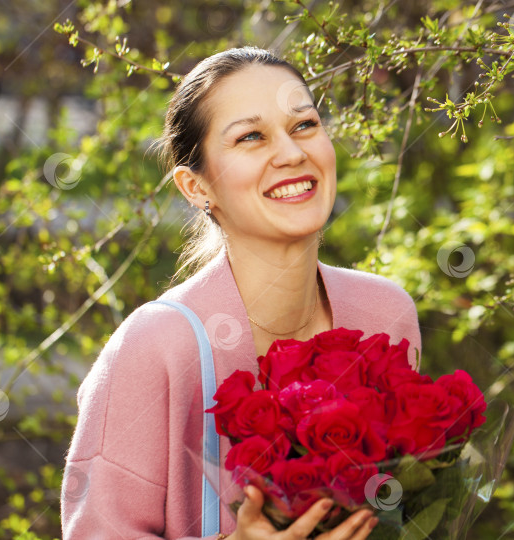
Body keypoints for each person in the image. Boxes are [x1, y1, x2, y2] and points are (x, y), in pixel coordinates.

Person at [61, 46, 422, 540]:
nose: (293, 153)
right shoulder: (156, 347)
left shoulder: (386, 315)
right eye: (251, 136)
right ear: (196, 186)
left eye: (304, 125)